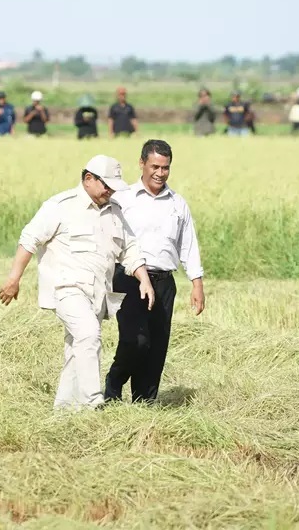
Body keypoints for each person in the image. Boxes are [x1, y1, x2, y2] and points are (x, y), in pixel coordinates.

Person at [0, 155, 155, 410]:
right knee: (88, 335)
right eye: (106, 185)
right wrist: (14, 279)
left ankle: (65, 409)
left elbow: (130, 249)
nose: (110, 191)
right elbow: (29, 239)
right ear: (88, 179)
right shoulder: (60, 206)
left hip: (98, 294)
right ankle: (93, 402)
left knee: (77, 347)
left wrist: (144, 280)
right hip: (66, 289)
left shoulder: (114, 211)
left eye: (113, 186)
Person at [105, 140, 204, 404]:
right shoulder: (123, 198)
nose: (160, 173)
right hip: (128, 279)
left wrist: (197, 283)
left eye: (166, 168)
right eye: (155, 167)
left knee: (156, 347)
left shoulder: (177, 203)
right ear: (141, 164)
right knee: (136, 341)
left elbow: (188, 244)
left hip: (164, 283)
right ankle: (113, 385)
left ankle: (144, 403)